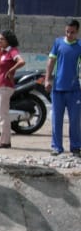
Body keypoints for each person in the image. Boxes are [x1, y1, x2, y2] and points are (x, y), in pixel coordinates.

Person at [45, 19, 81, 157]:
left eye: (72, 32)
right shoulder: (58, 43)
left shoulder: (79, 46)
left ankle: (76, 147)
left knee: (75, 120)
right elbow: (51, 61)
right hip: (58, 88)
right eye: (67, 31)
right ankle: (56, 147)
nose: (69, 34)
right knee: (56, 120)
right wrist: (47, 79)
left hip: (74, 90)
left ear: (77, 31)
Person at [0, 30, 25, 150]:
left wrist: (11, 70)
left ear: (8, 40)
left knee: (3, 114)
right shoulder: (0, 51)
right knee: (1, 113)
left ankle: (5, 141)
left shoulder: (12, 51)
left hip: (5, 85)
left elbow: (21, 61)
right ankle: (4, 140)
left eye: (2, 39)